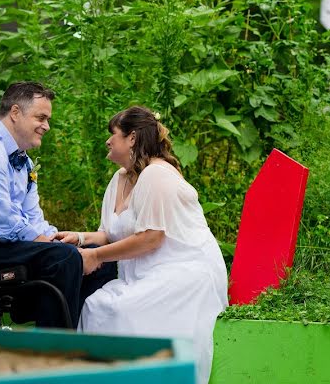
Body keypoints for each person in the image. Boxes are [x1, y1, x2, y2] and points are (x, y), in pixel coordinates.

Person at [57, 106, 228, 384]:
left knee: (122, 311)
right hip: (144, 271)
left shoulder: (157, 174)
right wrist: (78, 237)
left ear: (132, 138)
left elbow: (151, 237)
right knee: (96, 305)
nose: (108, 141)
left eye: (113, 134)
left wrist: (96, 256)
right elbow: (110, 233)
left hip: (183, 269)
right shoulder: (119, 178)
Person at [0, 81, 116, 329]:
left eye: (48, 119)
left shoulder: (24, 162)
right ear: (16, 112)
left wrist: (56, 238)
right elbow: (5, 224)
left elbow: (31, 217)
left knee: (100, 257)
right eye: (41, 117)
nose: (47, 126)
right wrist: (53, 246)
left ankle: (78, 332)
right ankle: (52, 348)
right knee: (64, 258)